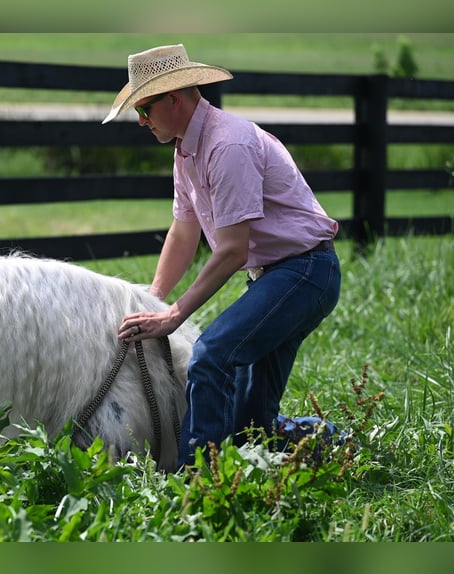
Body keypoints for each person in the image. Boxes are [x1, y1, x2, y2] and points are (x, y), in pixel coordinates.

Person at [102, 44, 341, 471]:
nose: (140, 120)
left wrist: (173, 315)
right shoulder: (186, 150)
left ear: (173, 99)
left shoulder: (227, 145)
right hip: (279, 276)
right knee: (251, 425)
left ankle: (194, 483)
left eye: (144, 108)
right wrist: (153, 299)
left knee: (209, 354)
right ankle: (335, 442)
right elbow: (184, 230)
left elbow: (231, 250)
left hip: (304, 273)